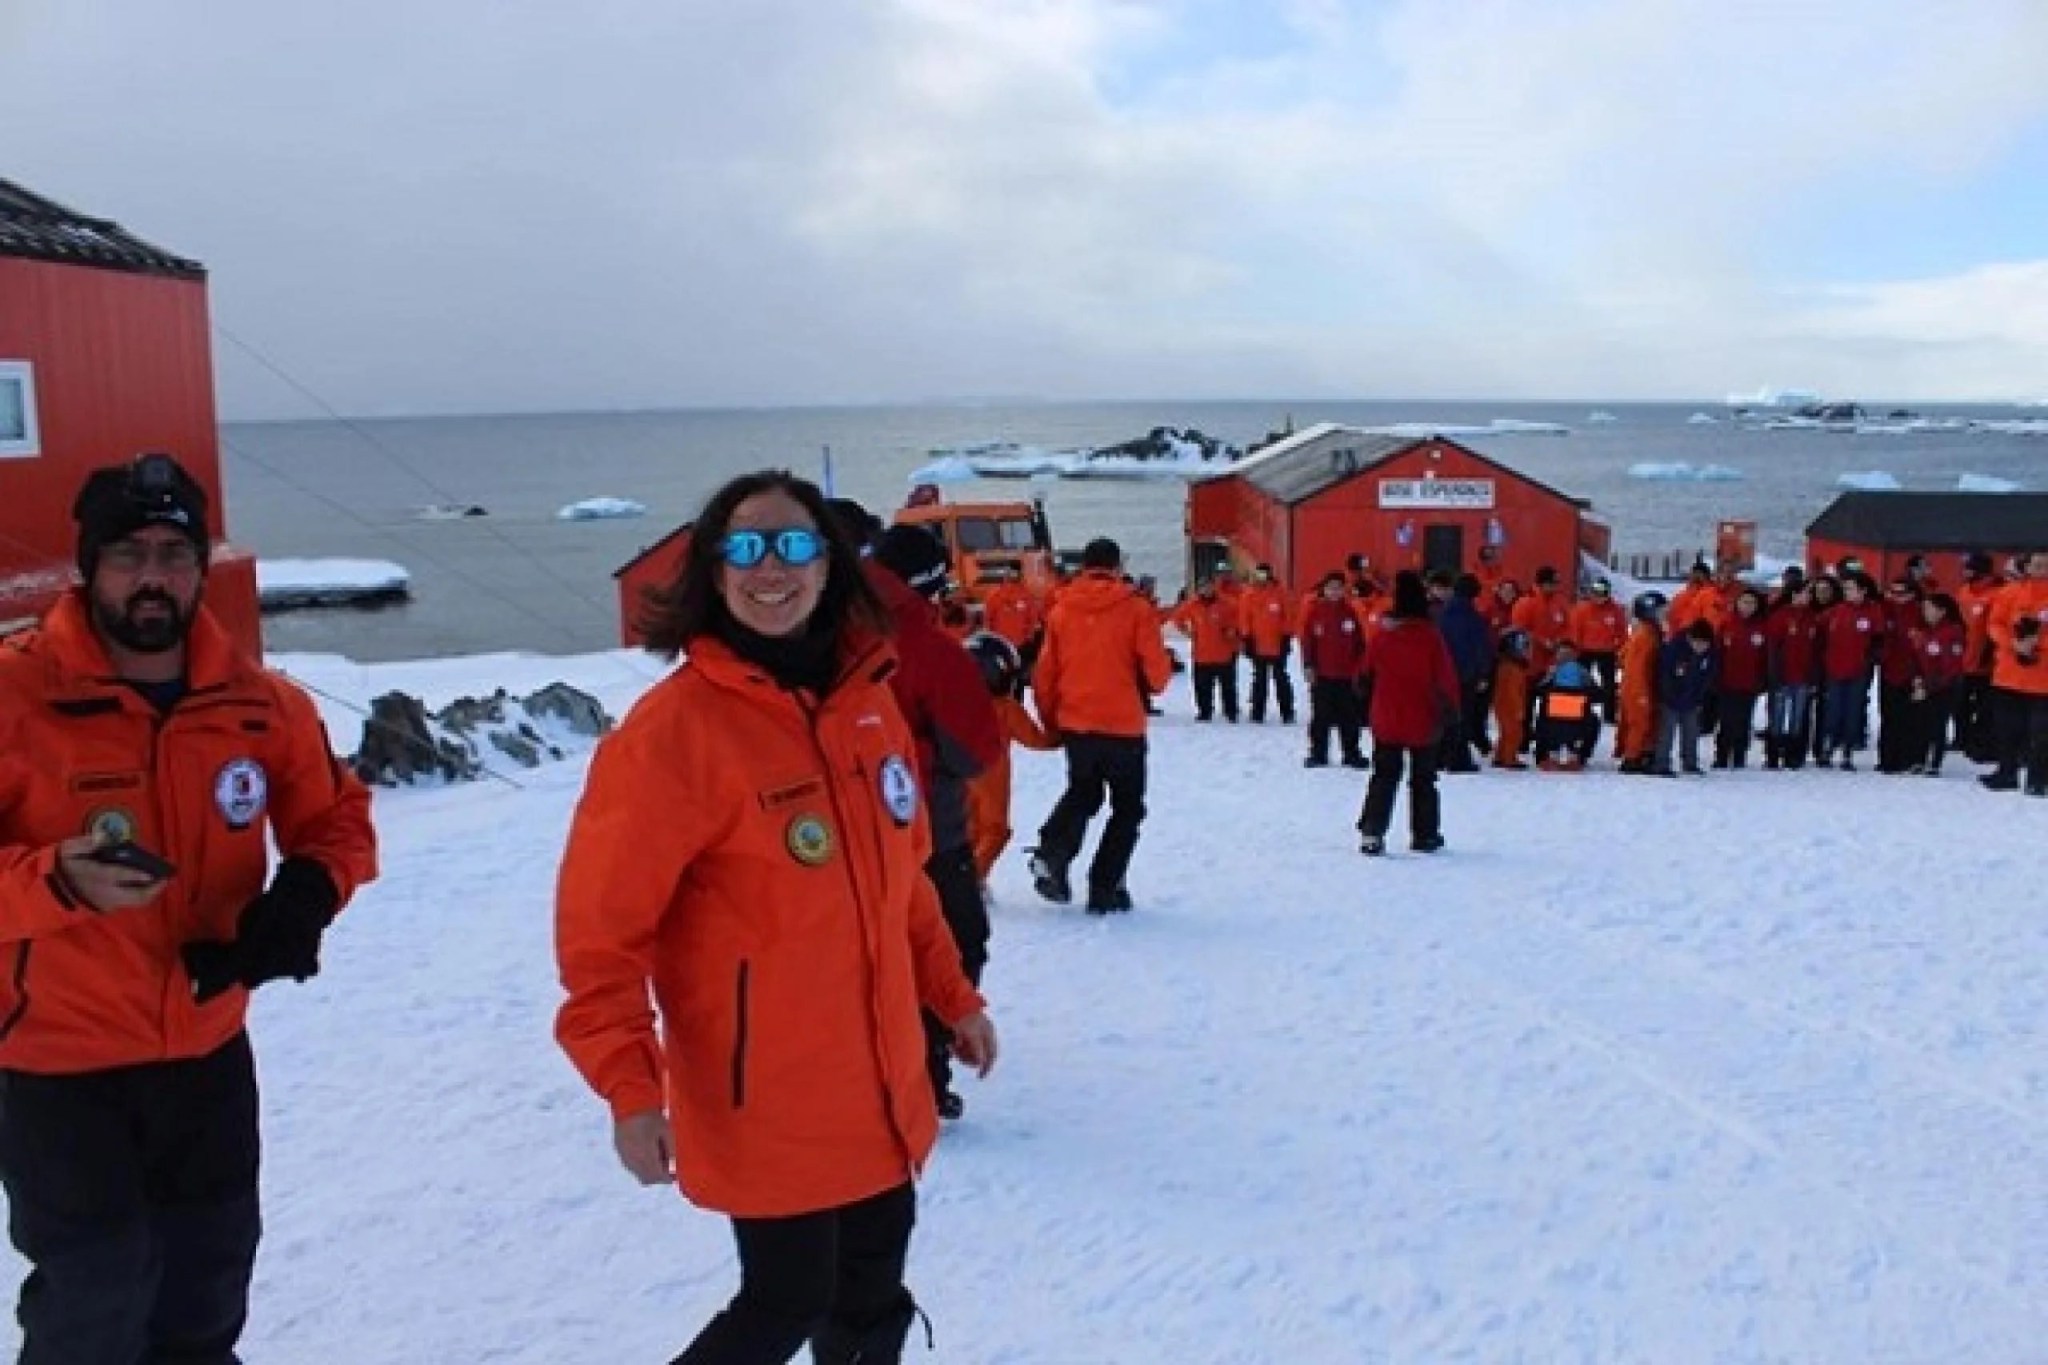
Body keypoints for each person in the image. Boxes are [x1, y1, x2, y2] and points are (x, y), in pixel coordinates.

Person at [555, 470, 998, 1365]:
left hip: (882, 1079)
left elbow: (903, 883)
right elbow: (601, 936)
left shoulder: (868, 702)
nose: (772, 568)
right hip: (768, 1097)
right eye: (746, 547)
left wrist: (954, 995)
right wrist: (631, 1088)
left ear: (831, 565)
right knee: (784, 1300)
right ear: (713, 571)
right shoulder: (671, 732)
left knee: (872, 1296)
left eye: (795, 544)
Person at [0, 452, 378, 1365]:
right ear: (88, 565)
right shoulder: (13, 694)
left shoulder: (258, 702)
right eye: (129, 553)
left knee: (207, 1281)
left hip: (205, 1046)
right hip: (57, 1059)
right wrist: (55, 878)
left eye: (175, 551)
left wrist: (303, 898)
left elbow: (338, 820)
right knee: (96, 1284)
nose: (154, 576)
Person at [869, 524, 1005, 1121]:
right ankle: (922, 1068)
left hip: (838, 835)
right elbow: (974, 751)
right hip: (927, 830)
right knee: (953, 942)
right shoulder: (930, 651)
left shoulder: (824, 634)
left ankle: (869, 1066)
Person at [1028, 538, 1173, 913]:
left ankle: (1054, 851)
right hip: (1123, 724)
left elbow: (1044, 675)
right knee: (1127, 808)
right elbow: (1157, 674)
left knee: (1083, 793)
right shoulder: (1136, 609)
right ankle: (1105, 885)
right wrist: (1151, 683)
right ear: (1117, 564)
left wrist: (1051, 721)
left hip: (1078, 722)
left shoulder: (1061, 610)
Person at [1356, 572, 1459, 856]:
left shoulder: (1382, 636)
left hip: (1387, 717)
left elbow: (1363, 675)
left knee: (1384, 776)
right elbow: (1445, 679)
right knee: (1423, 779)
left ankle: (1372, 831)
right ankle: (1425, 834)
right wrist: (1451, 711)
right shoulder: (1430, 638)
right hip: (1423, 719)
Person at [962, 632, 1057, 883]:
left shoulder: (955, 703)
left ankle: (960, 877)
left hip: (958, 771)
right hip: (991, 775)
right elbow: (1036, 740)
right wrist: (1062, 733)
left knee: (968, 829)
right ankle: (969, 883)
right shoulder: (1005, 708)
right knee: (995, 831)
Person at [1981, 550, 2048, 794]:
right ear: (2027, 567)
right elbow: (1994, 624)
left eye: (2047, 565)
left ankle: (2038, 778)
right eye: (2038, 565)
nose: (2043, 570)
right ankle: (2006, 772)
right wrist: (2014, 643)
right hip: (2009, 674)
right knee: (2006, 728)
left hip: (2043, 679)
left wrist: (2037, 644)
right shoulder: (2009, 593)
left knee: (2040, 733)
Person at [1299, 571, 1369, 769]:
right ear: (1324, 590)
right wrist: (1308, 665)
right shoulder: (1315, 612)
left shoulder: (1352, 612)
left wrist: (1360, 669)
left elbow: (1360, 645)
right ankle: (1318, 753)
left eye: (1338, 588)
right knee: (1320, 717)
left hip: (1346, 675)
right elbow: (1308, 642)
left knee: (1350, 717)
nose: (1334, 592)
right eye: (1331, 588)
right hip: (1322, 675)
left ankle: (1352, 753)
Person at [1819, 572, 1885, 770]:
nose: (1847, 592)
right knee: (1833, 711)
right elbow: (1819, 633)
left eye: (1851, 588)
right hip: (1835, 670)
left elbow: (1879, 640)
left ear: (1863, 591)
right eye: (1845, 588)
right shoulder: (1836, 611)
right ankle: (1827, 749)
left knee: (1853, 712)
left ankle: (1848, 752)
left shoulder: (1873, 611)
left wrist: (1869, 660)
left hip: (1858, 671)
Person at [1905, 594, 1966, 775]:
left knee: (1937, 724)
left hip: (1944, 687)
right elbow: (1916, 657)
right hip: (1924, 684)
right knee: (1919, 723)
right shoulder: (1924, 631)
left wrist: (1928, 687)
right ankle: (1918, 759)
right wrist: (1916, 678)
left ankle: (1934, 762)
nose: (1925, 612)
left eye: (1929, 608)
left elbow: (1950, 667)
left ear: (1942, 611)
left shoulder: (1953, 632)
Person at [1437, 573, 1494, 770]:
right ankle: (1459, 759)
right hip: (1467, 674)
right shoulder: (1473, 617)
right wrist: (1484, 673)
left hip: (1444, 673)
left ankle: (1439, 756)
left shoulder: (1442, 615)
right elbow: (1480, 647)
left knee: (1444, 715)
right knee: (1464, 717)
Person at [1763, 583, 1821, 770]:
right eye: (1803, 593)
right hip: (1782, 675)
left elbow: (1816, 651)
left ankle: (1793, 755)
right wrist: (1774, 674)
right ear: (1794, 595)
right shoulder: (1780, 617)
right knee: (1777, 718)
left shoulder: (1813, 619)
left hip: (1803, 677)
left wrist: (1814, 677)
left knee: (1797, 719)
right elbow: (1773, 648)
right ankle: (1772, 755)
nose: (1807, 597)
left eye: (1808, 594)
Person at [1955, 551, 2006, 761]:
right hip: (1964, 660)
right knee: (1960, 704)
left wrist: (1990, 652)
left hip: (1987, 663)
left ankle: (1981, 742)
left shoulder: (1997, 593)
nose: (1964, 572)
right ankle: (1962, 738)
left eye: (1968, 568)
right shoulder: (1964, 592)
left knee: (1986, 707)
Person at [1169, 577, 1242, 722]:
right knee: (1202, 686)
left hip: (1223, 652)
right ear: (1199, 589)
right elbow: (1177, 618)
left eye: (1209, 587)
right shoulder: (1192, 604)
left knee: (1228, 686)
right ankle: (1205, 711)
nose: (1207, 590)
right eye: (1203, 587)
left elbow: (1239, 618)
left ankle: (1231, 711)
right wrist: (1187, 632)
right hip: (1202, 653)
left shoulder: (1227, 603)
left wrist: (1233, 631)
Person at [1712, 588, 1769, 769]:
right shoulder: (1726, 624)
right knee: (1726, 720)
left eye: (1751, 603)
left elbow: (1765, 657)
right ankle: (1721, 754)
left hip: (1749, 682)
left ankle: (1739, 754)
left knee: (1744, 720)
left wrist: (1763, 680)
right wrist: (1715, 677)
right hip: (1727, 681)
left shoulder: (1761, 627)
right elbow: (1717, 653)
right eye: (1744, 602)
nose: (1747, 606)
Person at [1655, 620, 1717, 776]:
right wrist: (1668, 696)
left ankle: (1690, 762)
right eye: (1698, 643)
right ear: (1690, 639)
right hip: (1671, 699)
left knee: (1691, 732)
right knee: (1666, 733)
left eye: (1705, 644)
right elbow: (1665, 676)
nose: (1701, 648)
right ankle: (1661, 763)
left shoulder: (1709, 654)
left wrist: (1699, 698)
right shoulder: (1674, 649)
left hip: (1692, 699)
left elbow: (1707, 677)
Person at [1238, 563, 1296, 723]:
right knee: (1259, 679)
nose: (1261, 578)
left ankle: (1287, 712)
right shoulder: (1249, 594)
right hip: (1257, 643)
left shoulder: (1280, 593)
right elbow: (1244, 618)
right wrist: (1246, 638)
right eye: (1259, 574)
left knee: (1280, 677)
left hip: (1278, 643)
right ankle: (1257, 712)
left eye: (1264, 574)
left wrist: (1286, 636)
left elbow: (1289, 616)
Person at [1533, 642, 1601, 770]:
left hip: (1551, 721)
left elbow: (1538, 690)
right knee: (1594, 721)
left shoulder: (1551, 672)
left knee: (1541, 716)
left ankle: (1544, 755)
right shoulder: (1582, 672)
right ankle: (1580, 756)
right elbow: (1598, 695)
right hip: (1580, 722)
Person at [1570, 577, 1629, 721]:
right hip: (1584, 651)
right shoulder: (1582, 609)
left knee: (1609, 684)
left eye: (1603, 593)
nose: (1599, 597)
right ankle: (1579, 711)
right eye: (1596, 593)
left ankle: (1609, 714)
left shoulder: (1616, 610)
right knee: (1581, 682)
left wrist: (1620, 651)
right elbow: (1575, 630)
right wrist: (1574, 650)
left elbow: (1622, 632)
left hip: (1607, 652)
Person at [1490, 628, 1532, 771]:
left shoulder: (1508, 665)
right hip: (1508, 705)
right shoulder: (1511, 668)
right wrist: (1518, 708)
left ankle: (1500, 756)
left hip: (1504, 704)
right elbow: (1512, 691)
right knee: (1514, 732)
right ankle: (1509, 758)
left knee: (1506, 732)